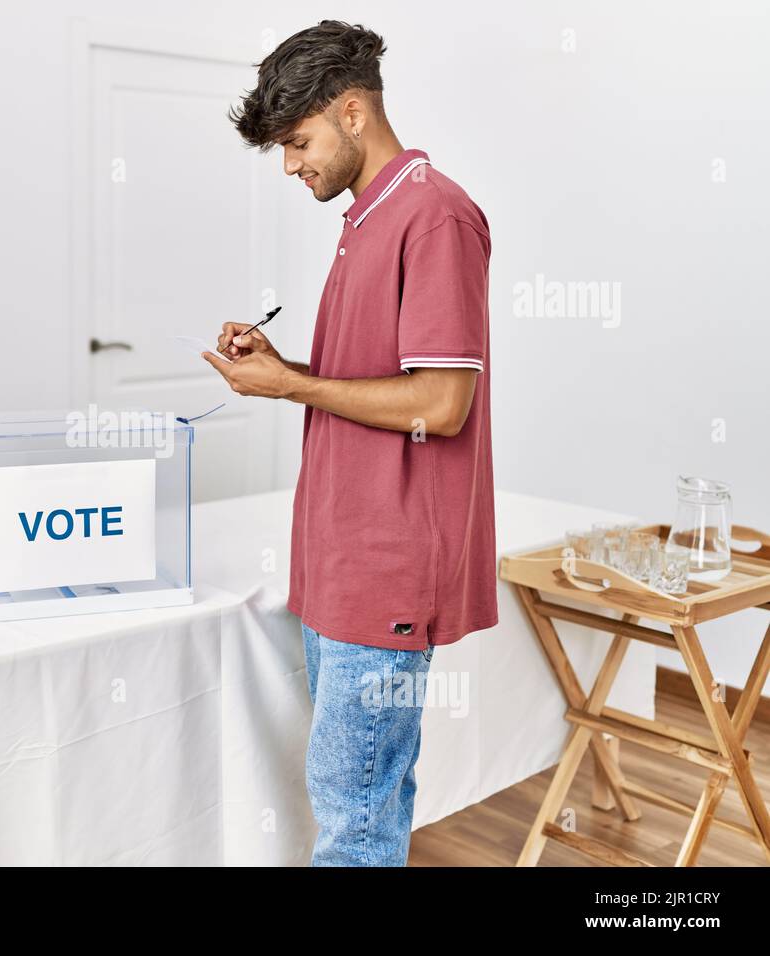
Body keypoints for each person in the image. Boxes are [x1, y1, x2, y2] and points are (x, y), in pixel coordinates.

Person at [214, 20, 497, 866]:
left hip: (386, 569)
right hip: (342, 561)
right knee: (365, 797)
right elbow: (379, 383)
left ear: (350, 112)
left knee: (354, 813)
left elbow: (443, 404)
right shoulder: (367, 218)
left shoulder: (436, 216)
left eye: (296, 142)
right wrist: (285, 365)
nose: (292, 165)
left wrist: (293, 386)